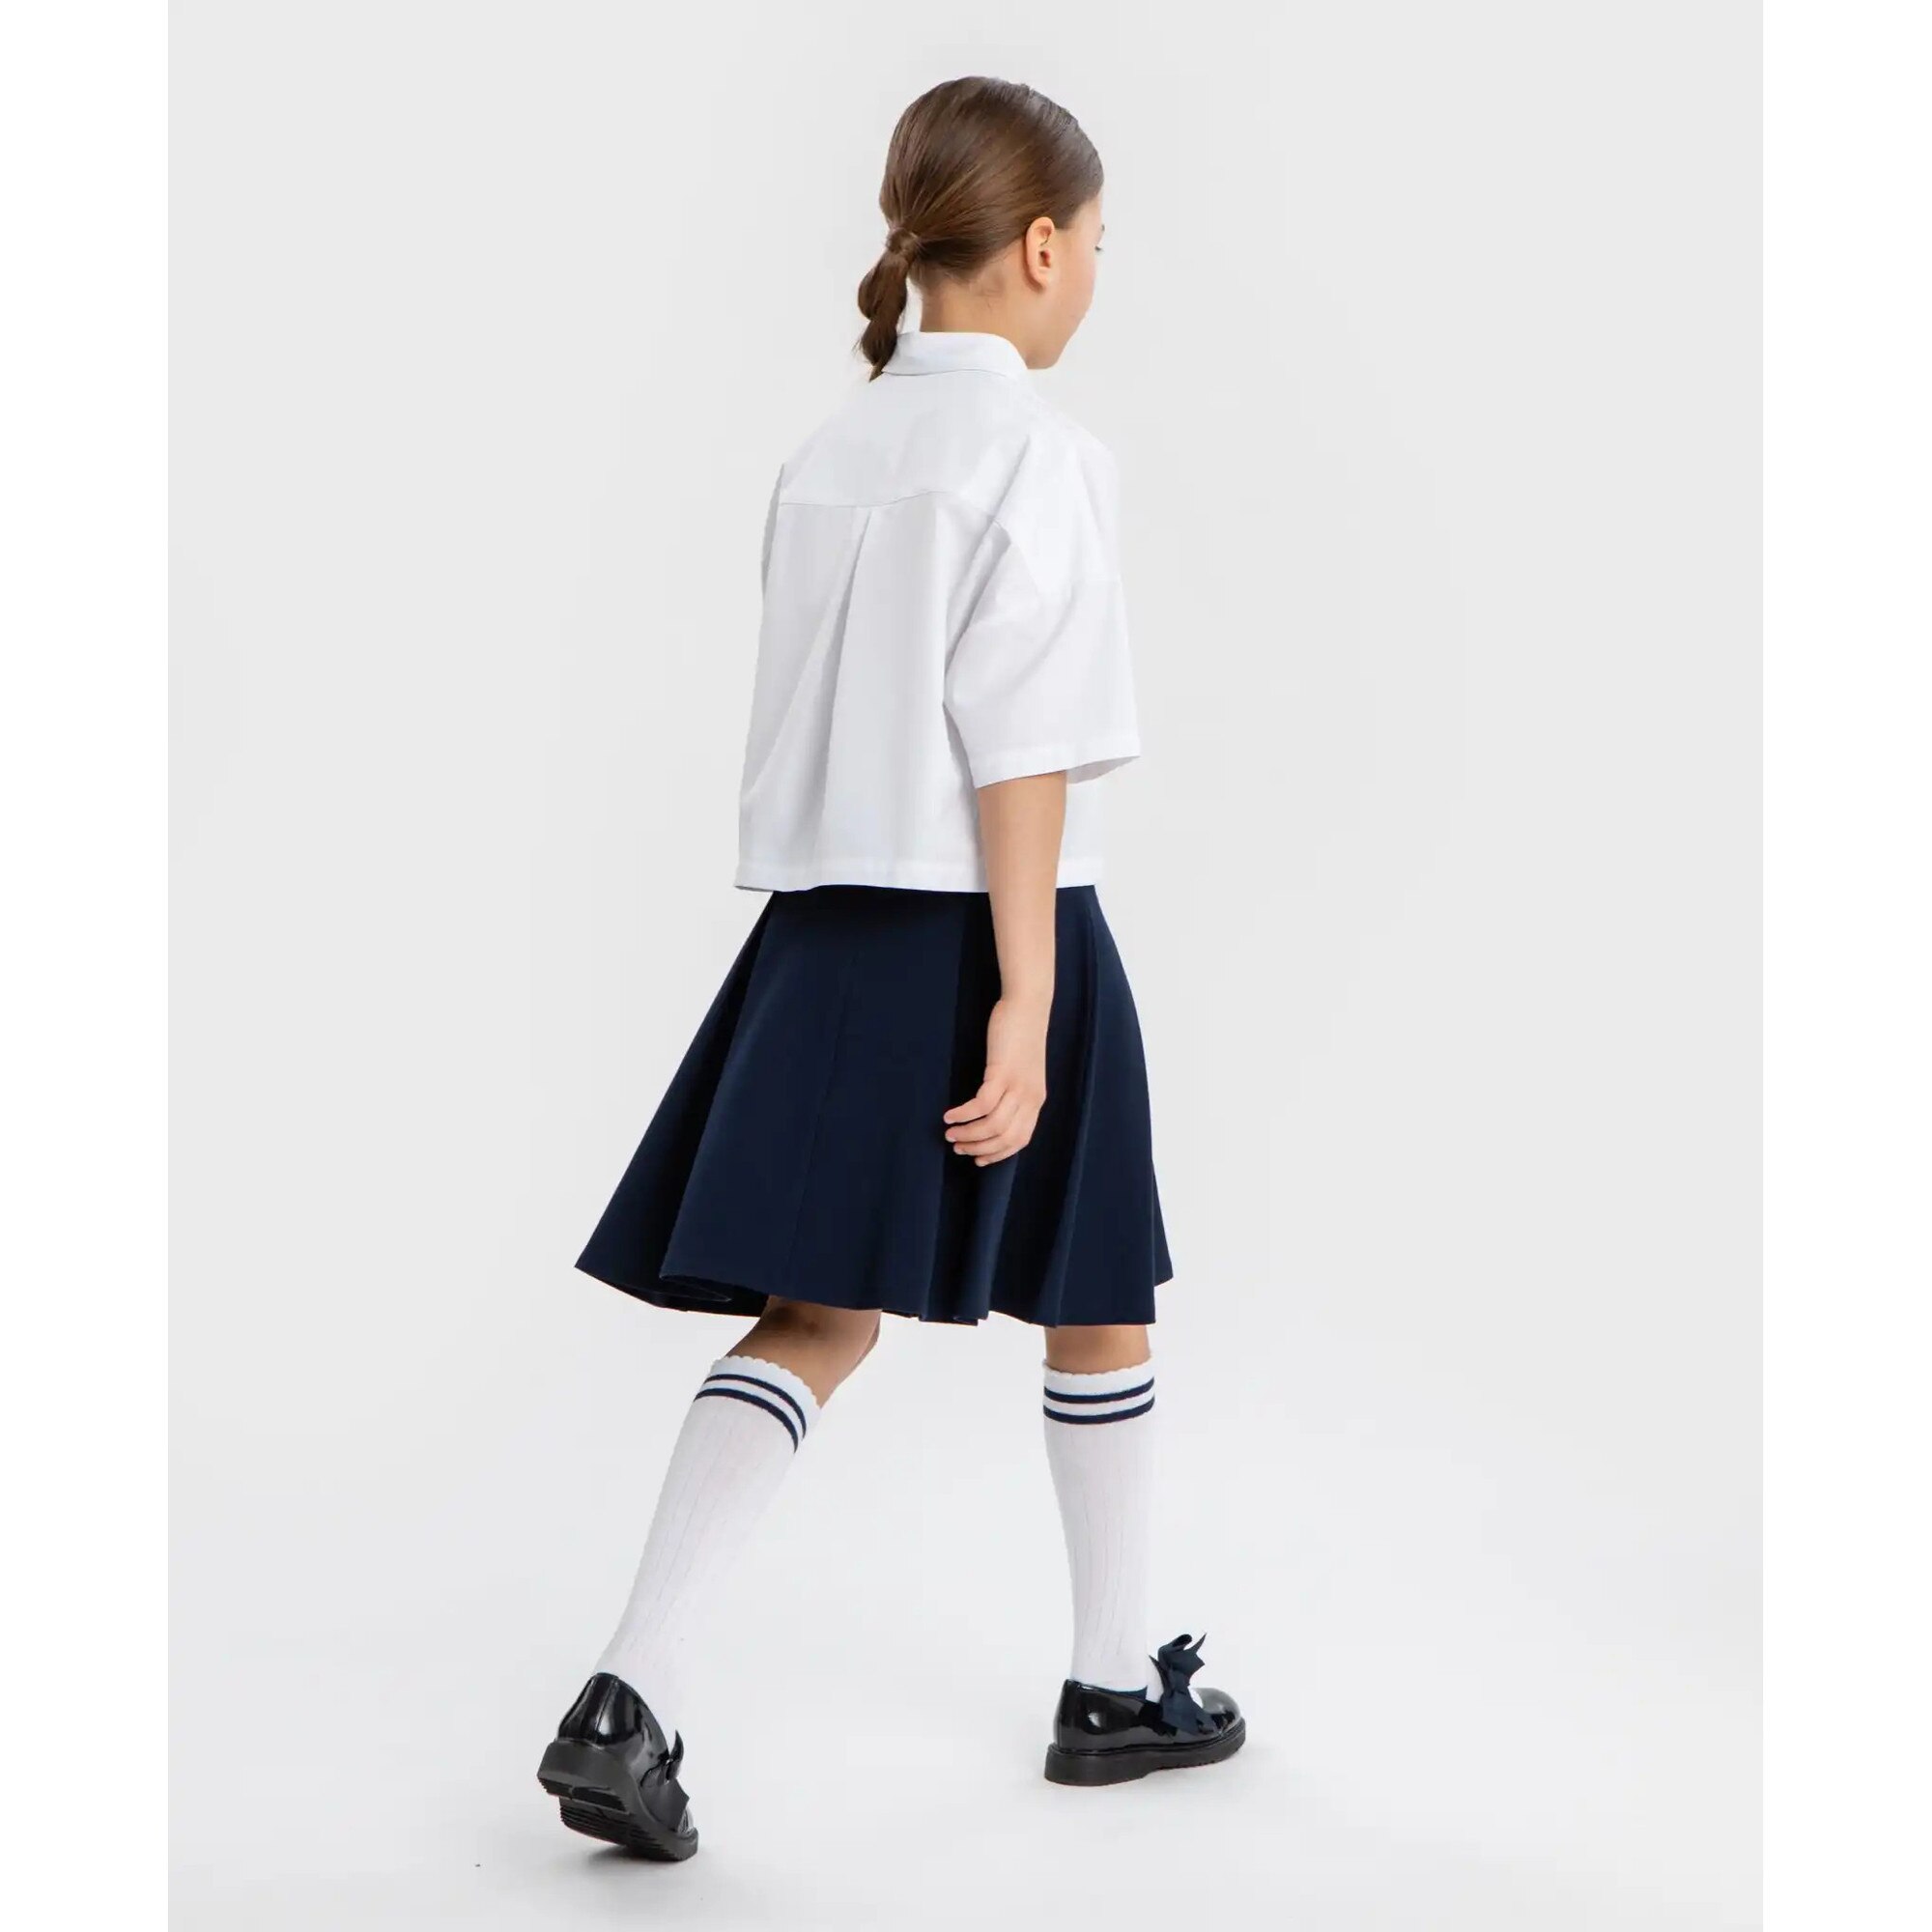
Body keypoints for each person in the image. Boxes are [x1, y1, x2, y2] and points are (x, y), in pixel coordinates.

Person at [537, 75, 1244, 1861]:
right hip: (1000, 921)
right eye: (1098, 244)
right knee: (1099, 1286)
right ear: (1040, 246)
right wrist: (1028, 997)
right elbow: (1023, 750)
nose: (1097, 276)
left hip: (823, 938)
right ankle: (1109, 1682)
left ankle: (630, 1687)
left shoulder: (833, 450)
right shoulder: (1042, 455)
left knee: (815, 1315)